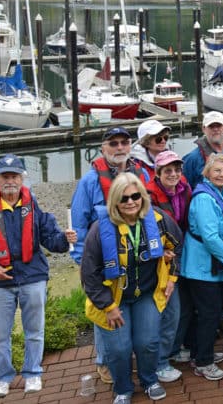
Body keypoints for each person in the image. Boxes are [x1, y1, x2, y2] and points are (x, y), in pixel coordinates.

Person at [0, 155, 76, 399]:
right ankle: (2, 377)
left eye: (15, 176)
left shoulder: (33, 206)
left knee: (34, 330)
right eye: (5, 176)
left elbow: (51, 240)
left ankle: (33, 372)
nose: (10, 180)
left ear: (23, 178)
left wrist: (65, 239)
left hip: (32, 277)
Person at [81, 173, 181, 404]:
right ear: (115, 200)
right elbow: (89, 273)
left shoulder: (158, 220)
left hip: (146, 294)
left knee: (148, 342)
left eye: (136, 196)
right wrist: (107, 306)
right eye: (124, 198)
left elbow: (178, 244)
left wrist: (172, 277)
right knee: (118, 348)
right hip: (114, 299)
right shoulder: (99, 230)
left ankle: (149, 380)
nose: (130, 202)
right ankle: (123, 389)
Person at [70, 126, 147, 385]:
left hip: (135, 256)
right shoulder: (90, 181)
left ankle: (127, 356)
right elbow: (79, 222)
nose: (119, 148)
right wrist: (82, 260)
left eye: (124, 142)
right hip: (102, 258)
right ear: (103, 148)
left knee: (133, 308)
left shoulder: (141, 173)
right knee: (104, 309)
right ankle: (104, 360)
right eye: (113, 143)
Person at [179, 154, 223, 381]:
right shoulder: (205, 198)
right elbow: (210, 236)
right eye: (217, 171)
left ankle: (198, 351)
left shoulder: (219, 193)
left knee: (205, 311)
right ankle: (203, 361)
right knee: (209, 313)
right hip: (201, 265)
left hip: (210, 263)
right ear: (207, 173)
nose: (222, 175)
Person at [145, 151, 192, 384]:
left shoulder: (184, 189)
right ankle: (159, 362)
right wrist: (159, 251)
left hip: (178, 254)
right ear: (157, 173)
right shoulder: (146, 195)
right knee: (164, 311)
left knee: (177, 309)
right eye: (167, 170)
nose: (173, 174)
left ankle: (170, 351)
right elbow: (143, 226)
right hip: (157, 261)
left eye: (177, 169)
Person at [183, 111, 223, 188]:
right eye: (211, 126)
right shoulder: (192, 159)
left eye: (219, 125)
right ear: (203, 129)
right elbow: (185, 187)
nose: (215, 129)